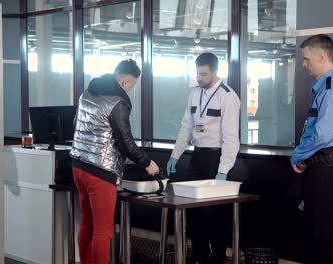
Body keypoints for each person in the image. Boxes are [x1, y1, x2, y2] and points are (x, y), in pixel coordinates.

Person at [70, 59, 160, 264]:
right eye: (132, 85)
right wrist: (147, 162)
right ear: (126, 82)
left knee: (87, 223)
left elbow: (75, 123)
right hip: (100, 171)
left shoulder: (88, 92)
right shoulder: (118, 102)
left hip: (78, 166)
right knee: (103, 229)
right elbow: (126, 142)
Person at [166, 52, 240, 264]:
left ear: (215, 72)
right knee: (195, 212)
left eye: (204, 74)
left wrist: (224, 169)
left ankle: (217, 258)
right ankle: (199, 256)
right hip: (197, 158)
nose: (199, 78)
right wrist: (175, 155)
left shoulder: (227, 96)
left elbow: (231, 138)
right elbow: (186, 126)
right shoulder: (194, 93)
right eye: (197, 73)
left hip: (217, 159)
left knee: (216, 215)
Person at [291, 34, 333, 264]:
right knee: (315, 231)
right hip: (320, 164)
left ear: (322, 56)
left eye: (307, 59)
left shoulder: (331, 89)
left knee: (322, 233)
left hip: (327, 166)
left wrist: (298, 154)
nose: (304, 64)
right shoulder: (324, 88)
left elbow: (323, 134)